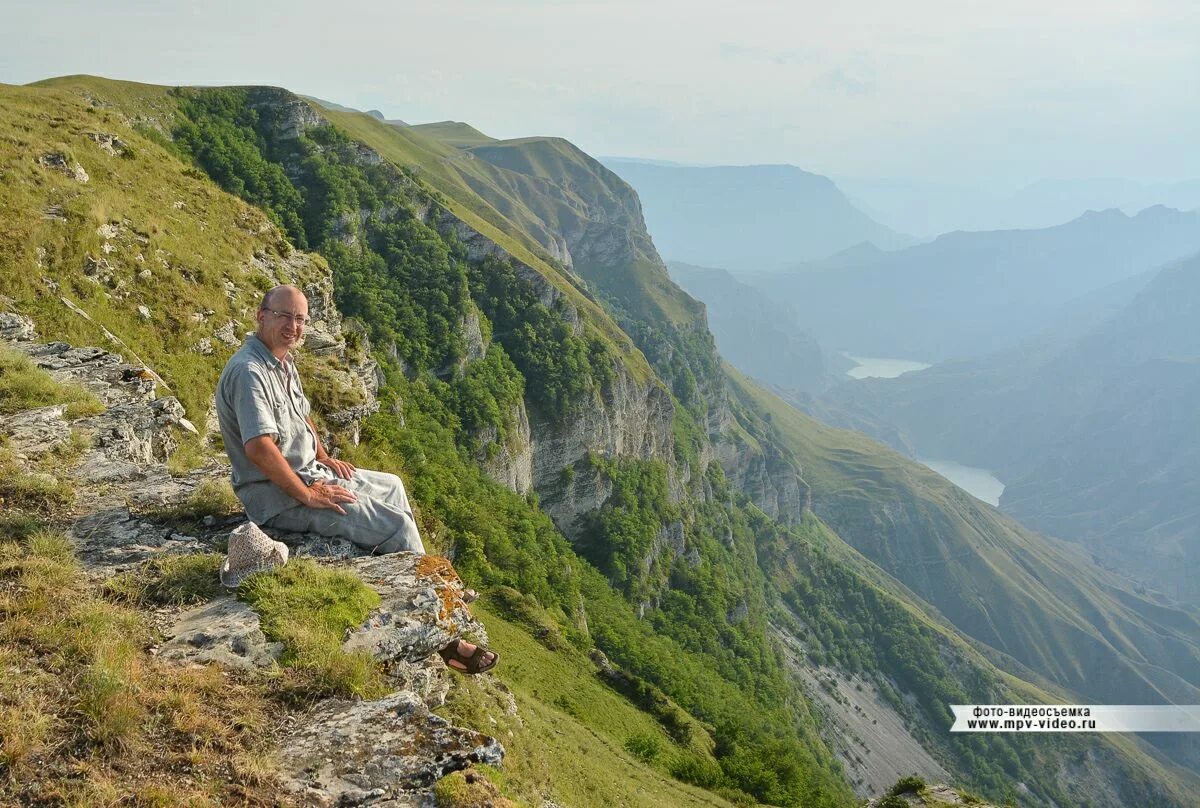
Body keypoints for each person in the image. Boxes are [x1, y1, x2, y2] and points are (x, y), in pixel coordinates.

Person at [215, 285, 497, 674]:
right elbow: (259, 448)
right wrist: (308, 495)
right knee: (395, 525)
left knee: (393, 484)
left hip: (311, 470)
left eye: (300, 319)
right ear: (260, 315)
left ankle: (431, 585)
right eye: (283, 316)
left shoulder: (281, 361)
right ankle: (446, 637)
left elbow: (301, 415)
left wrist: (323, 454)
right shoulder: (249, 372)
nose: (293, 327)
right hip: (278, 495)